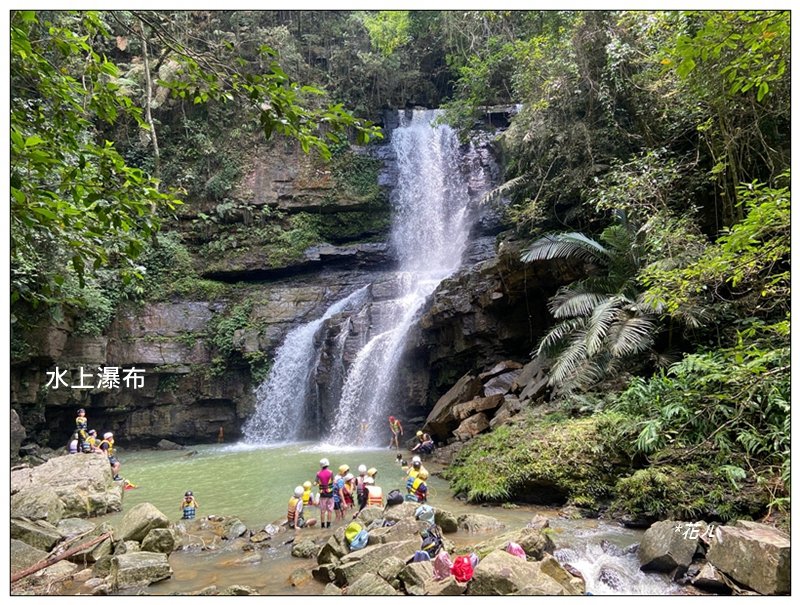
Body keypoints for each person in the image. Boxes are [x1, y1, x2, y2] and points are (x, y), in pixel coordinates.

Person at [315, 458, 334, 528]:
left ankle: (322, 525)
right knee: (330, 510)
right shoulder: (331, 472)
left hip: (322, 494)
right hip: (330, 494)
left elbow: (316, 482)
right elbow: (333, 480)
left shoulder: (318, 473)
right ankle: (328, 525)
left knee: (322, 510)